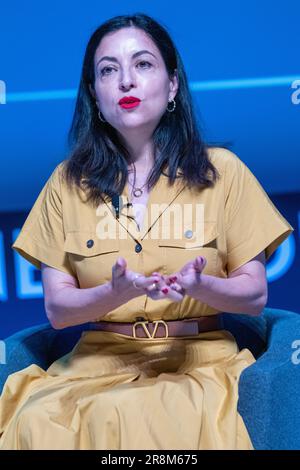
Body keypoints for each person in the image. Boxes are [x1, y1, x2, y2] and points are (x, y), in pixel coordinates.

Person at [0, 13, 294, 450]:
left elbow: (254, 297)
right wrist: (113, 293)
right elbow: (59, 310)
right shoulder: (66, 183)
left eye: (142, 65)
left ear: (172, 84)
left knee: (148, 417)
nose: (125, 82)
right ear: (95, 96)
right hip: (95, 363)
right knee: (40, 421)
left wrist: (202, 285)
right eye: (108, 70)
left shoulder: (223, 173)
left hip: (196, 363)